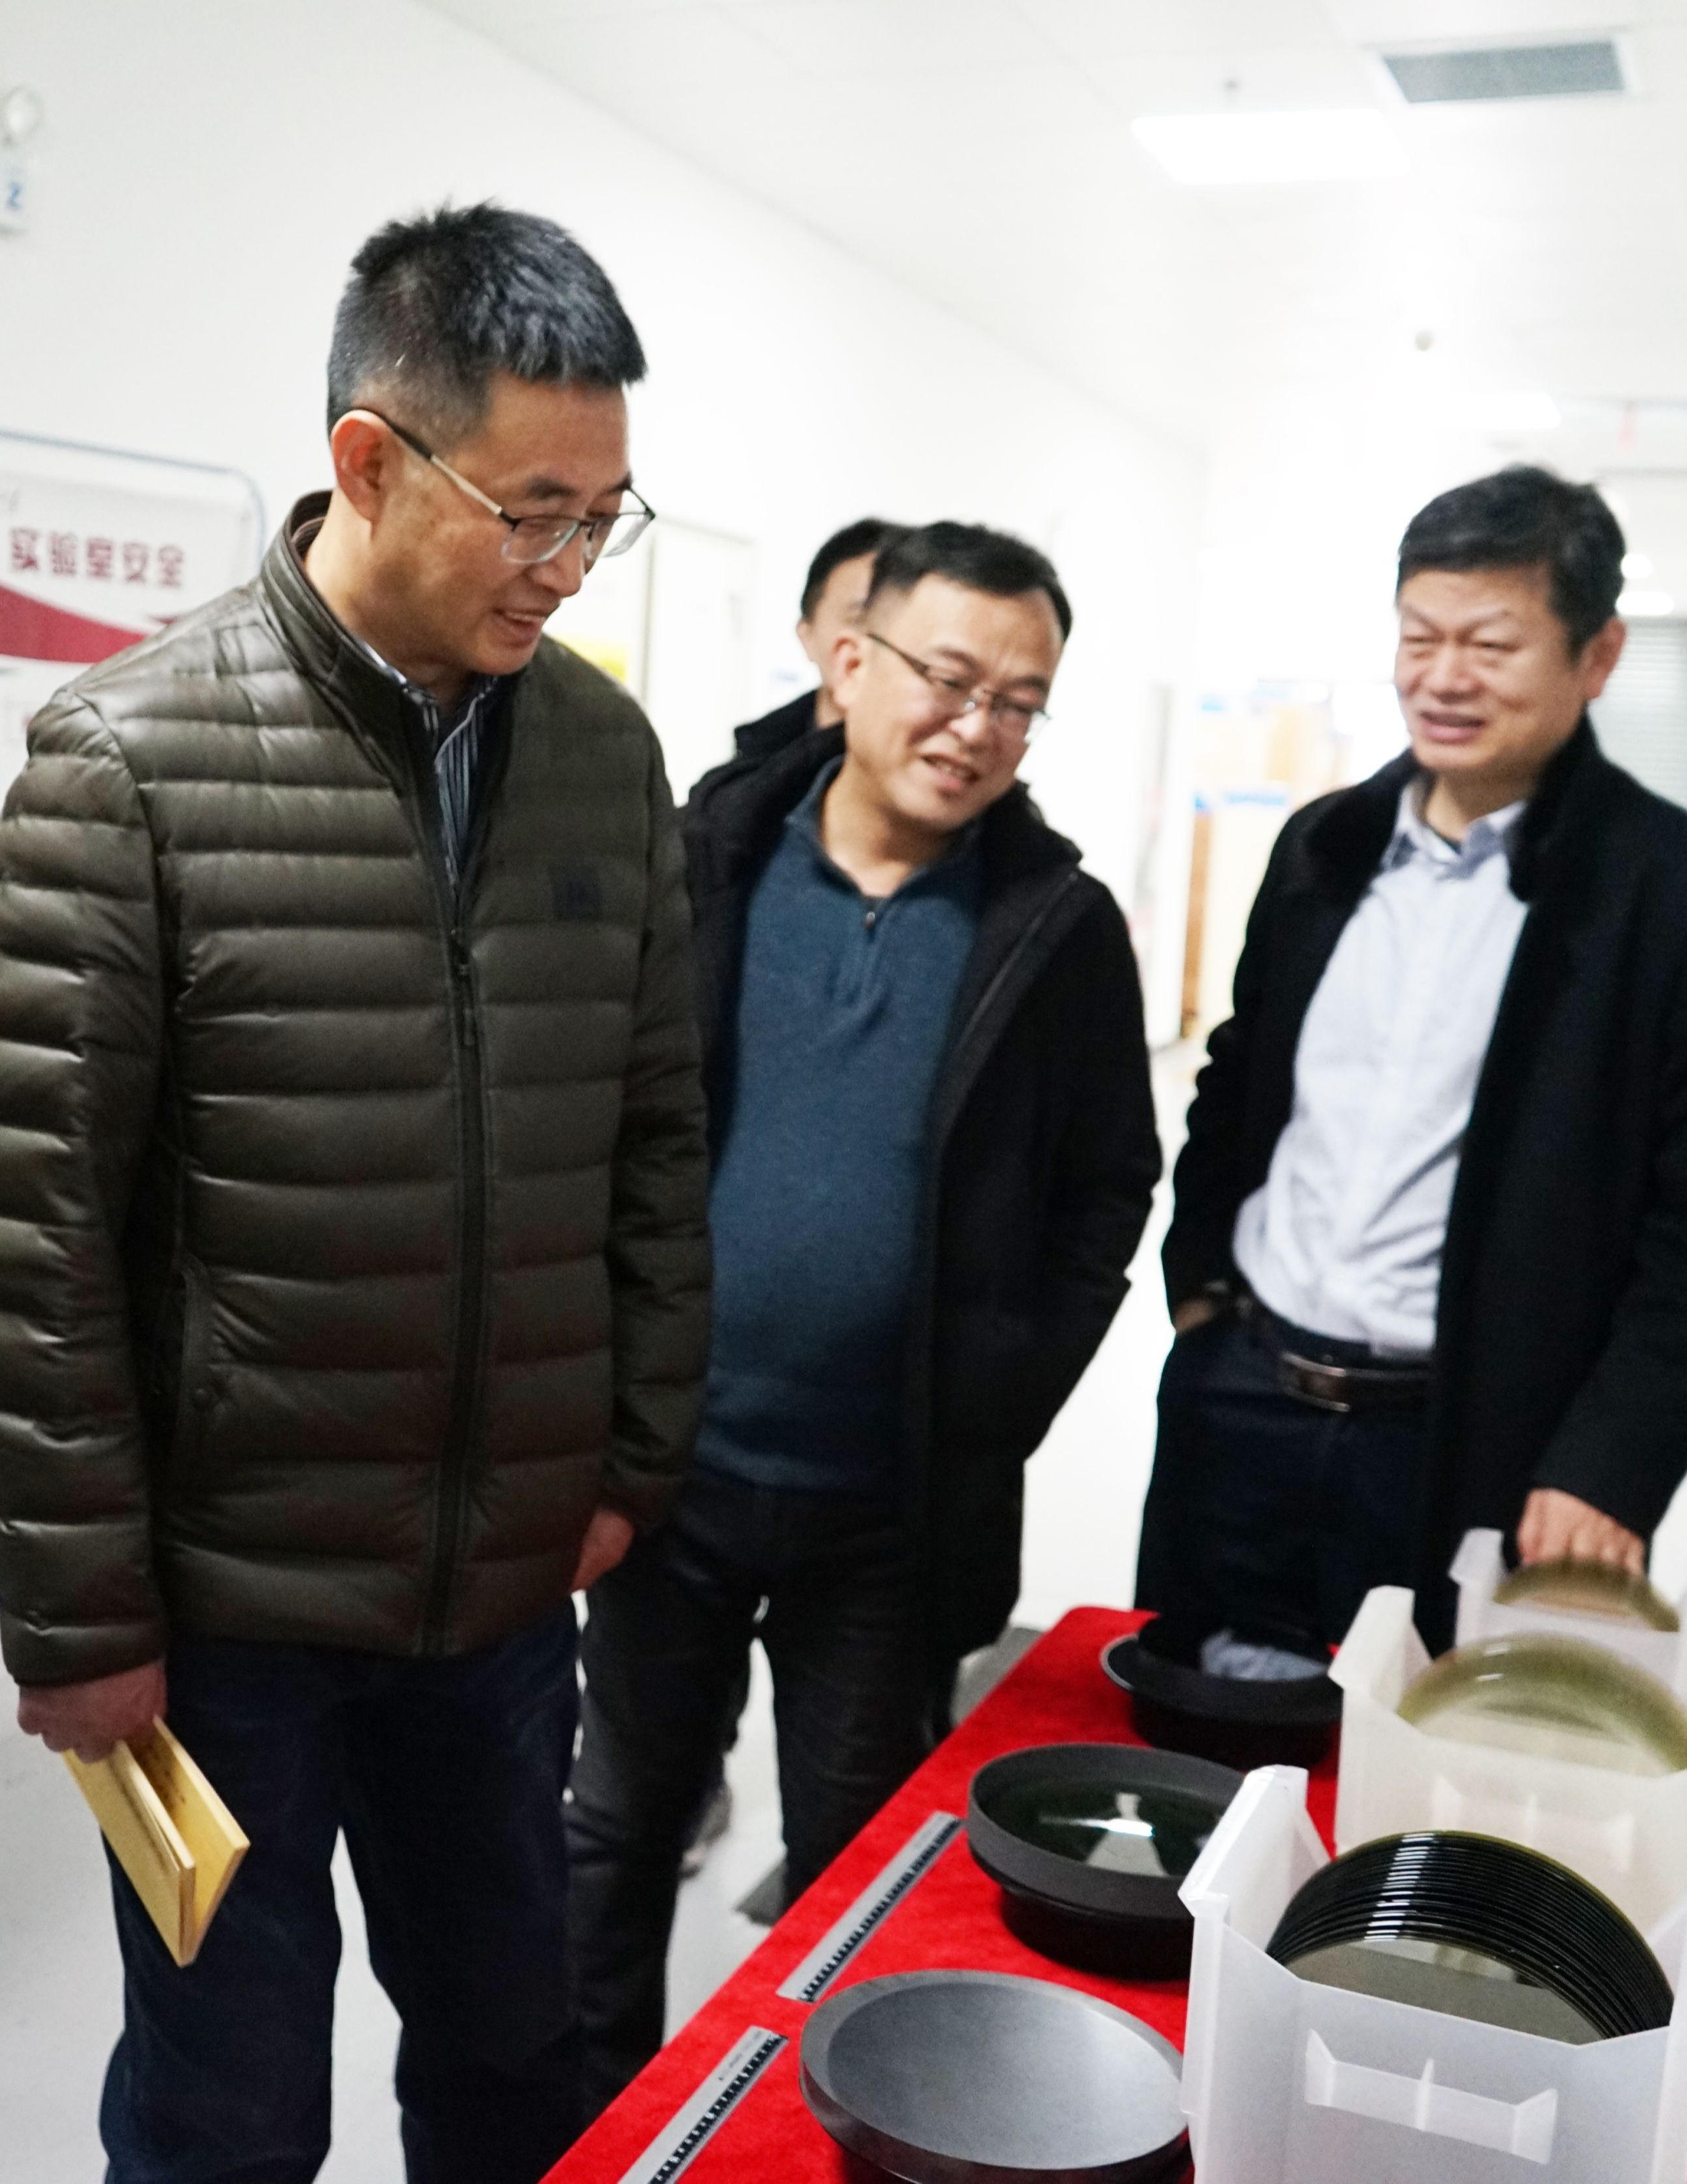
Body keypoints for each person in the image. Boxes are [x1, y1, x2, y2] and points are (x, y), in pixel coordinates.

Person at [0, 202, 709, 2184]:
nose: (566, 567)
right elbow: (31, 1240)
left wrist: (630, 1455)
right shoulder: (126, 759)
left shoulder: (603, 757)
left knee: (513, 2052)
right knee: (222, 2102)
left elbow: (655, 1133)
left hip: (502, 1597)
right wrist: (79, 1619)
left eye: (602, 519)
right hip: (226, 1619)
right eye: (531, 513)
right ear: (370, 458)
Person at [566, 521, 1160, 2104]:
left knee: (853, 1872)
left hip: (893, 1503)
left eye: (1018, 702)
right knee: (616, 1829)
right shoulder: (701, 860)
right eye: (950, 680)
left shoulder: (1056, 926)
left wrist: (1001, 1388)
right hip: (669, 1474)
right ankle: (589, 2122)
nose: (977, 727)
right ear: (848, 661)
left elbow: (1112, 1182)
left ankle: (808, 2125)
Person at [1138, 465, 1687, 1666]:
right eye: (1420, 637)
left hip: (1473, 1446)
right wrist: (1201, 1297)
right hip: (1244, 1406)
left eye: (1492, 644)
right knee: (1196, 1727)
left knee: (1419, 1764)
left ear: (1597, 656)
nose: (1444, 677)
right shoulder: (1325, 850)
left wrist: (1610, 1463)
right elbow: (1238, 1086)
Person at [729, 516, 898, 759]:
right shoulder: (755, 762)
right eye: (860, 621)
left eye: (897, 623)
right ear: (807, 636)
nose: (883, 643)